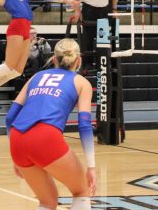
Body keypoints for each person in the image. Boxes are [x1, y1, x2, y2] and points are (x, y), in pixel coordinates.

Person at [6, 38, 96, 210]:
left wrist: (16, 156)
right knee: (81, 191)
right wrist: (91, 166)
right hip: (45, 136)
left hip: (18, 138)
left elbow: (10, 118)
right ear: (79, 60)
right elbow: (84, 126)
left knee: (47, 201)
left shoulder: (36, 76)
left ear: (54, 59)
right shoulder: (81, 82)